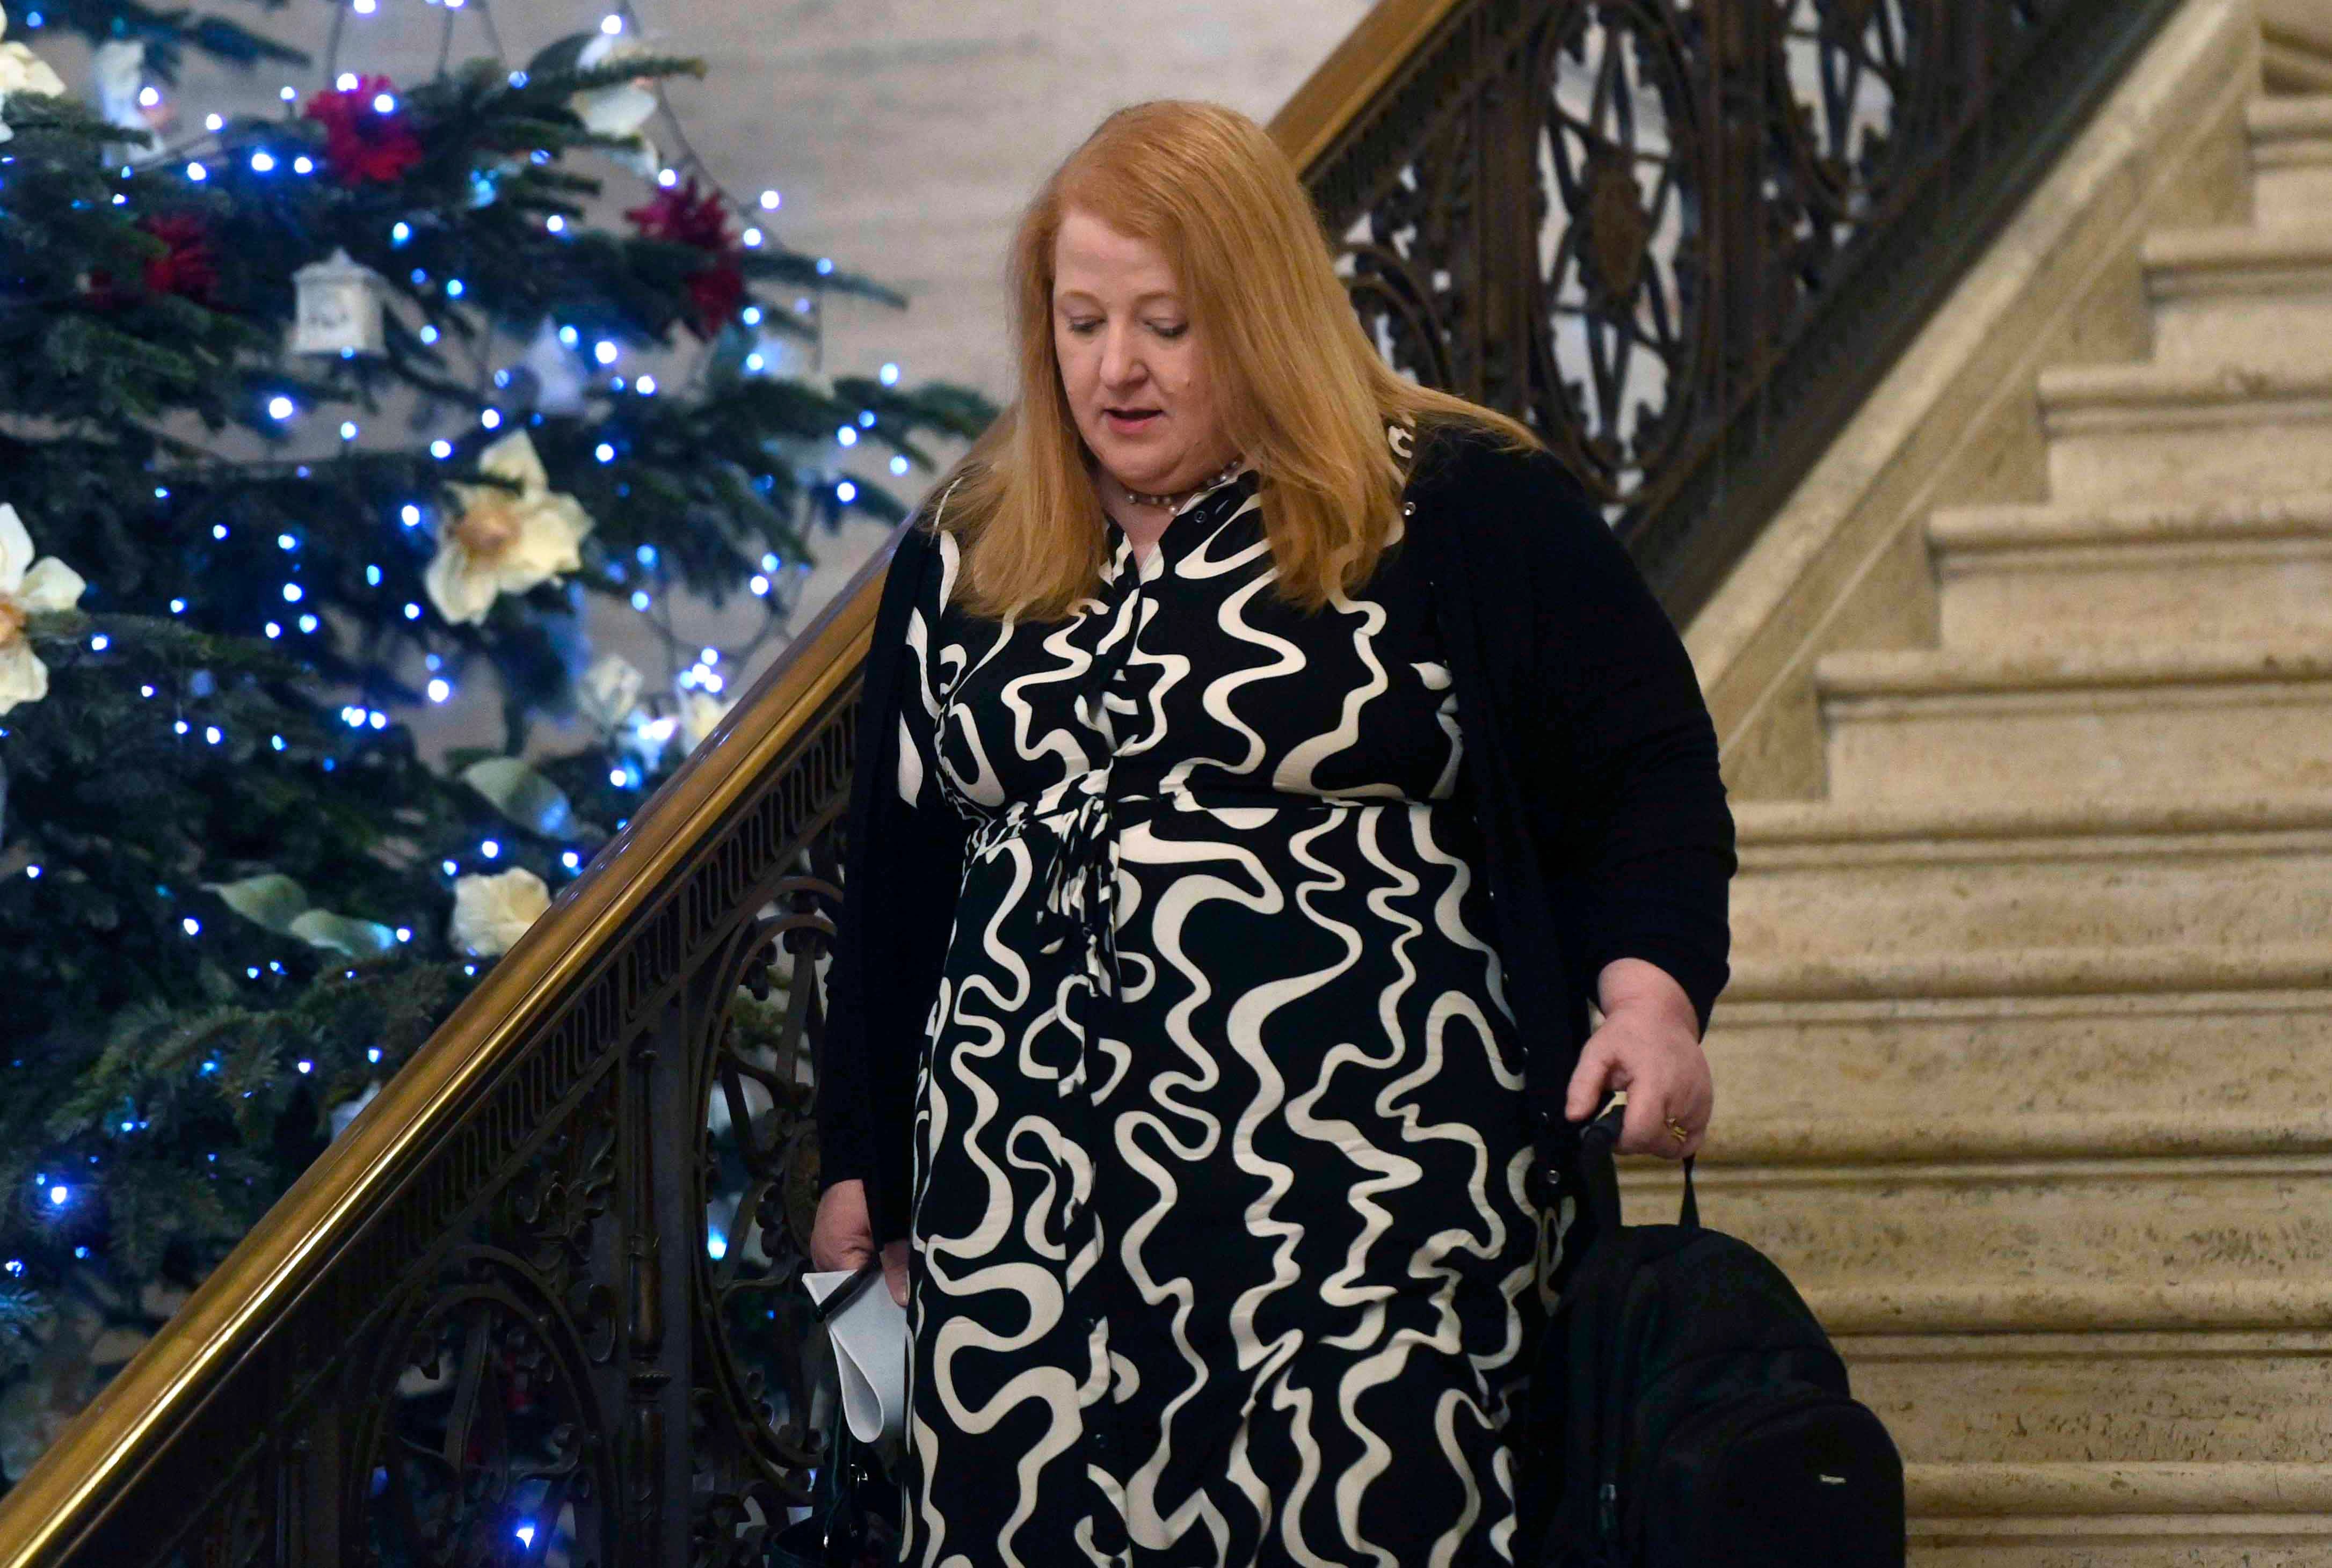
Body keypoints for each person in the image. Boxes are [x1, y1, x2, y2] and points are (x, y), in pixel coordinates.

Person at [809, 99, 1734, 1568]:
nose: (1118, 367)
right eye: (1083, 319)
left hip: (1370, 1217)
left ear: (1263, 308)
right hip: (1022, 1228)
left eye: (1168, 323)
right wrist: (861, 1158)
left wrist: (1650, 997)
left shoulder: (1455, 505)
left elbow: (1649, 779)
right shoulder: (966, 552)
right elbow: (898, 893)